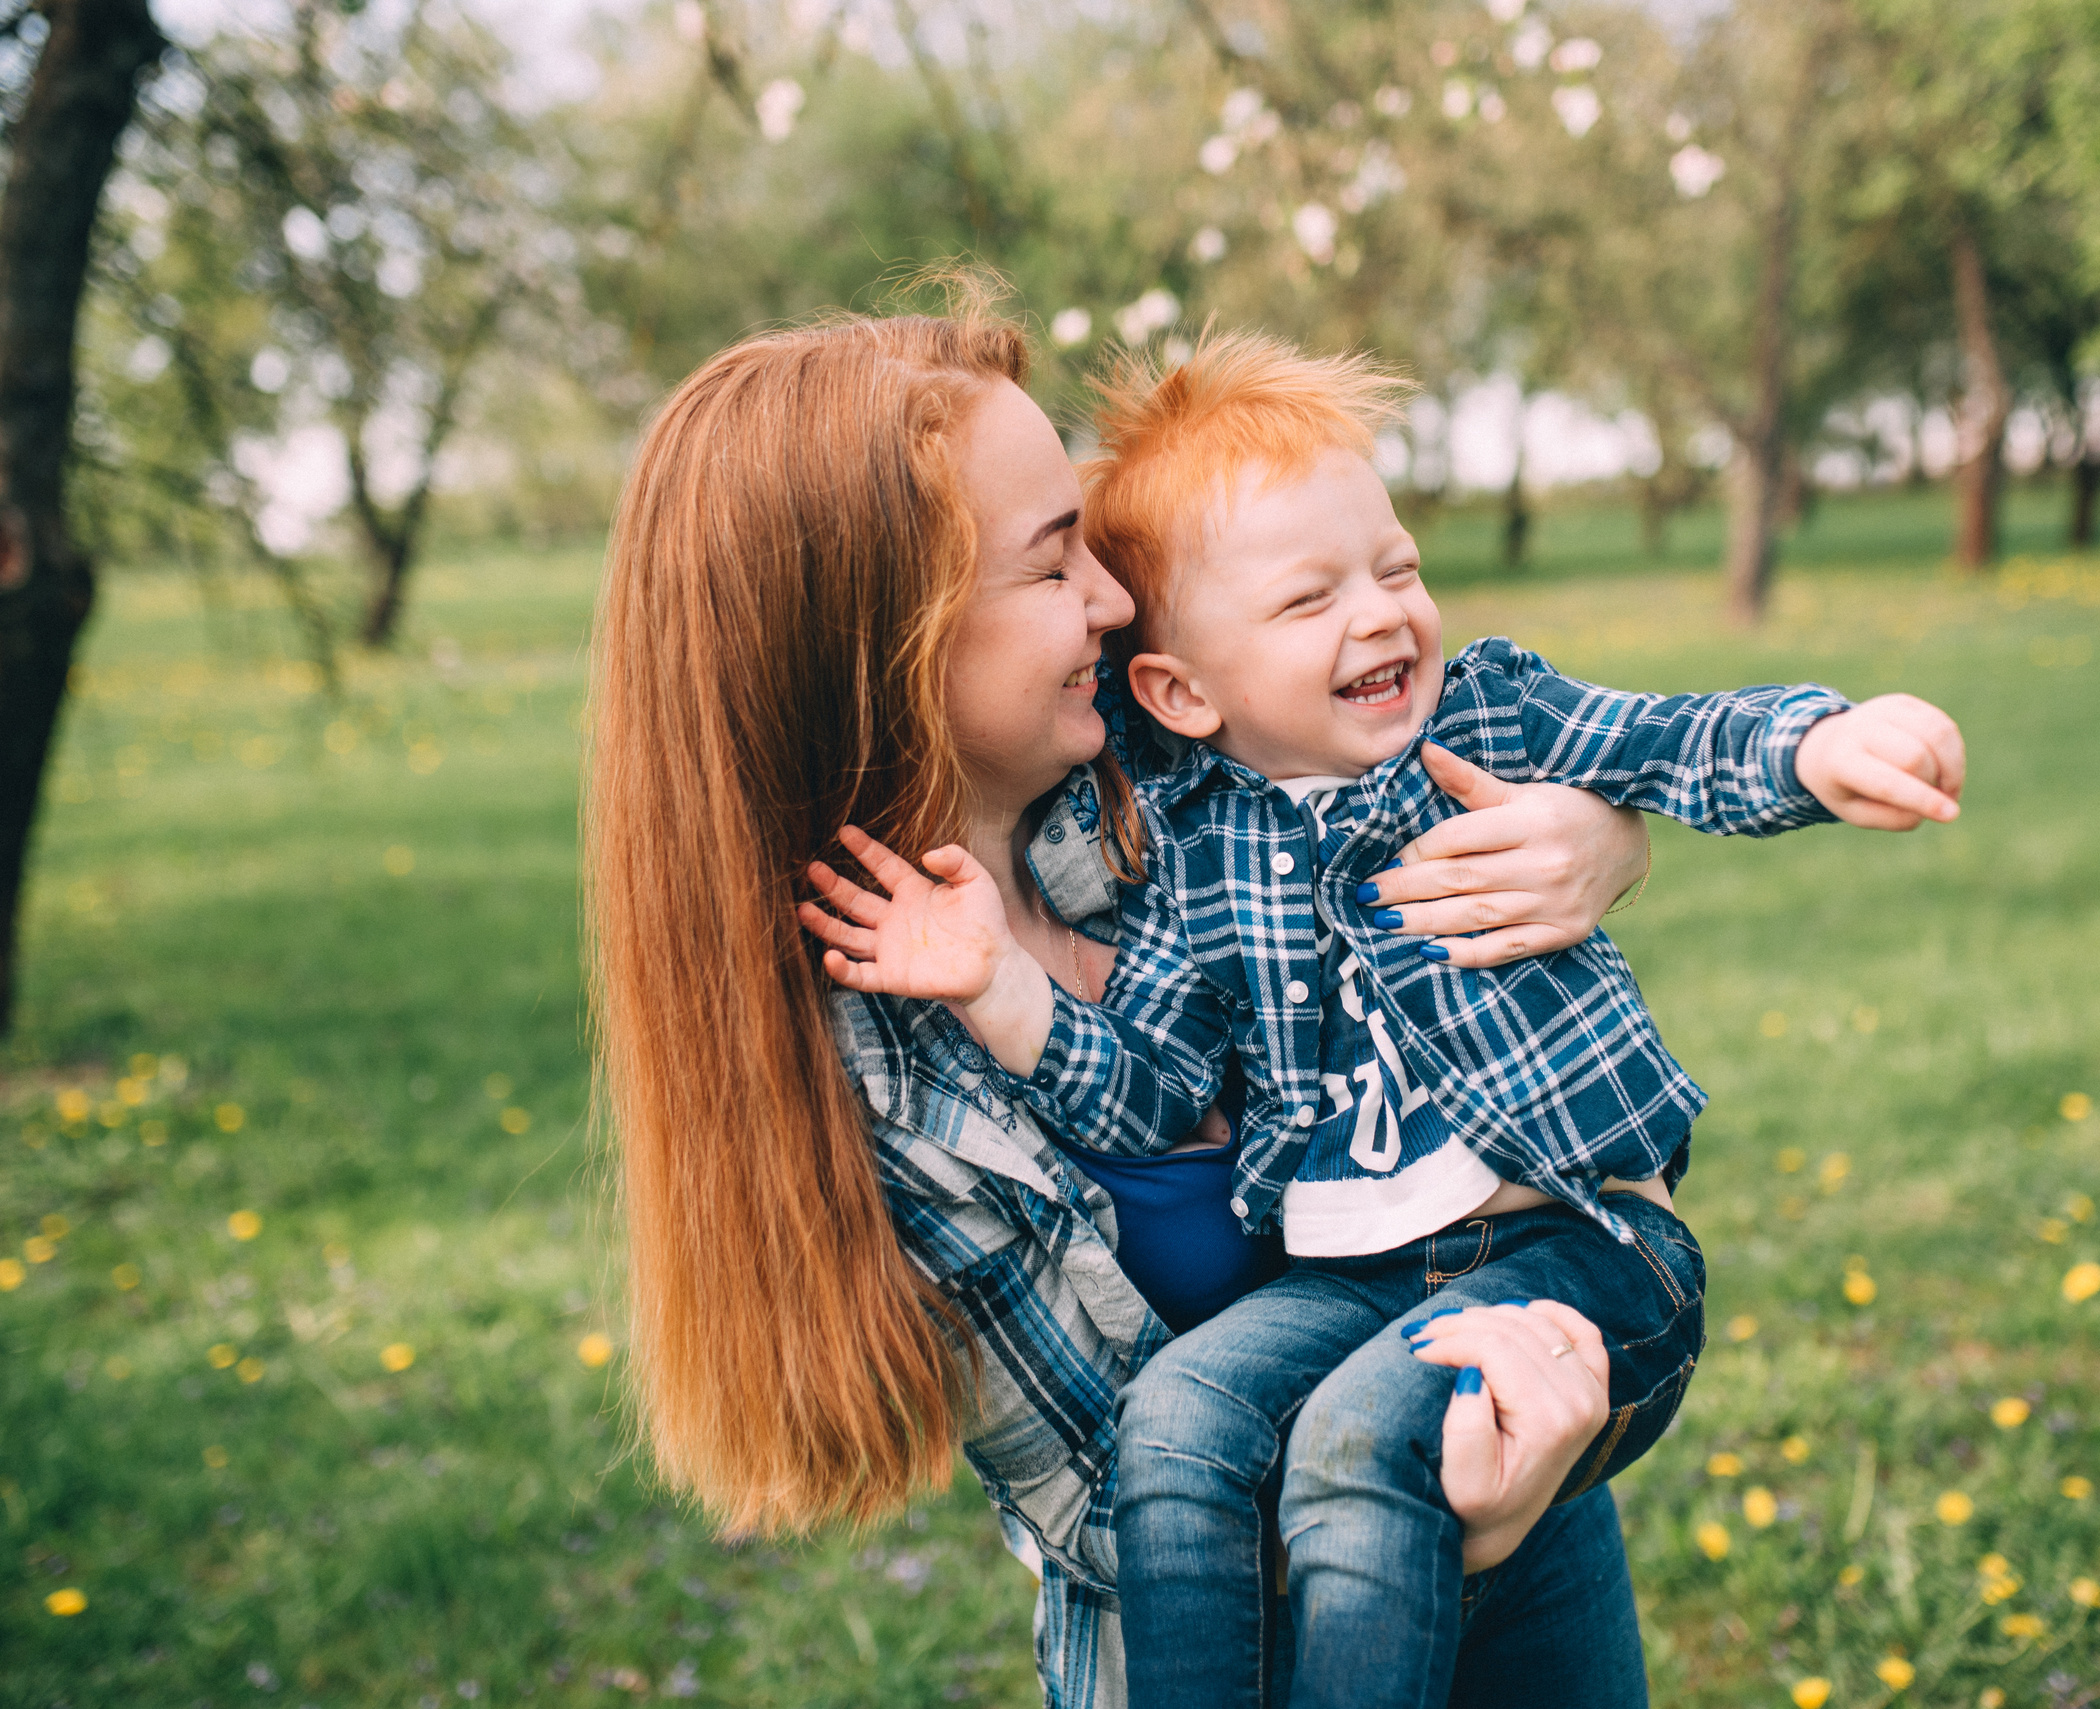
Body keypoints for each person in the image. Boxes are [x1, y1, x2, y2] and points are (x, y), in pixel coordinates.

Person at [804, 330, 1968, 1709]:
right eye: (1057, 561)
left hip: (1565, 1247)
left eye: (1401, 567)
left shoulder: (1422, 727)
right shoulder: (1188, 847)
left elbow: (1665, 734)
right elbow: (1153, 1090)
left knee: (1357, 1426)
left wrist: (1781, 761)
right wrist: (1000, 988)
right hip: (1345, 1337)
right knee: (1182, 1422)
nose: (1112, 602)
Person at [585, 299, 1666, 1709]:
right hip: (1272, 1639)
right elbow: (1118, 1511)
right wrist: (1458, 1512)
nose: (1112, 598)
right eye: (1053, 567)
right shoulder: (880, 1086)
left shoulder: (1157, 762)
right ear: (889, 646)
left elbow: (1430, 741)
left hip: (1527, 1480)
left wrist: (1591, 838)